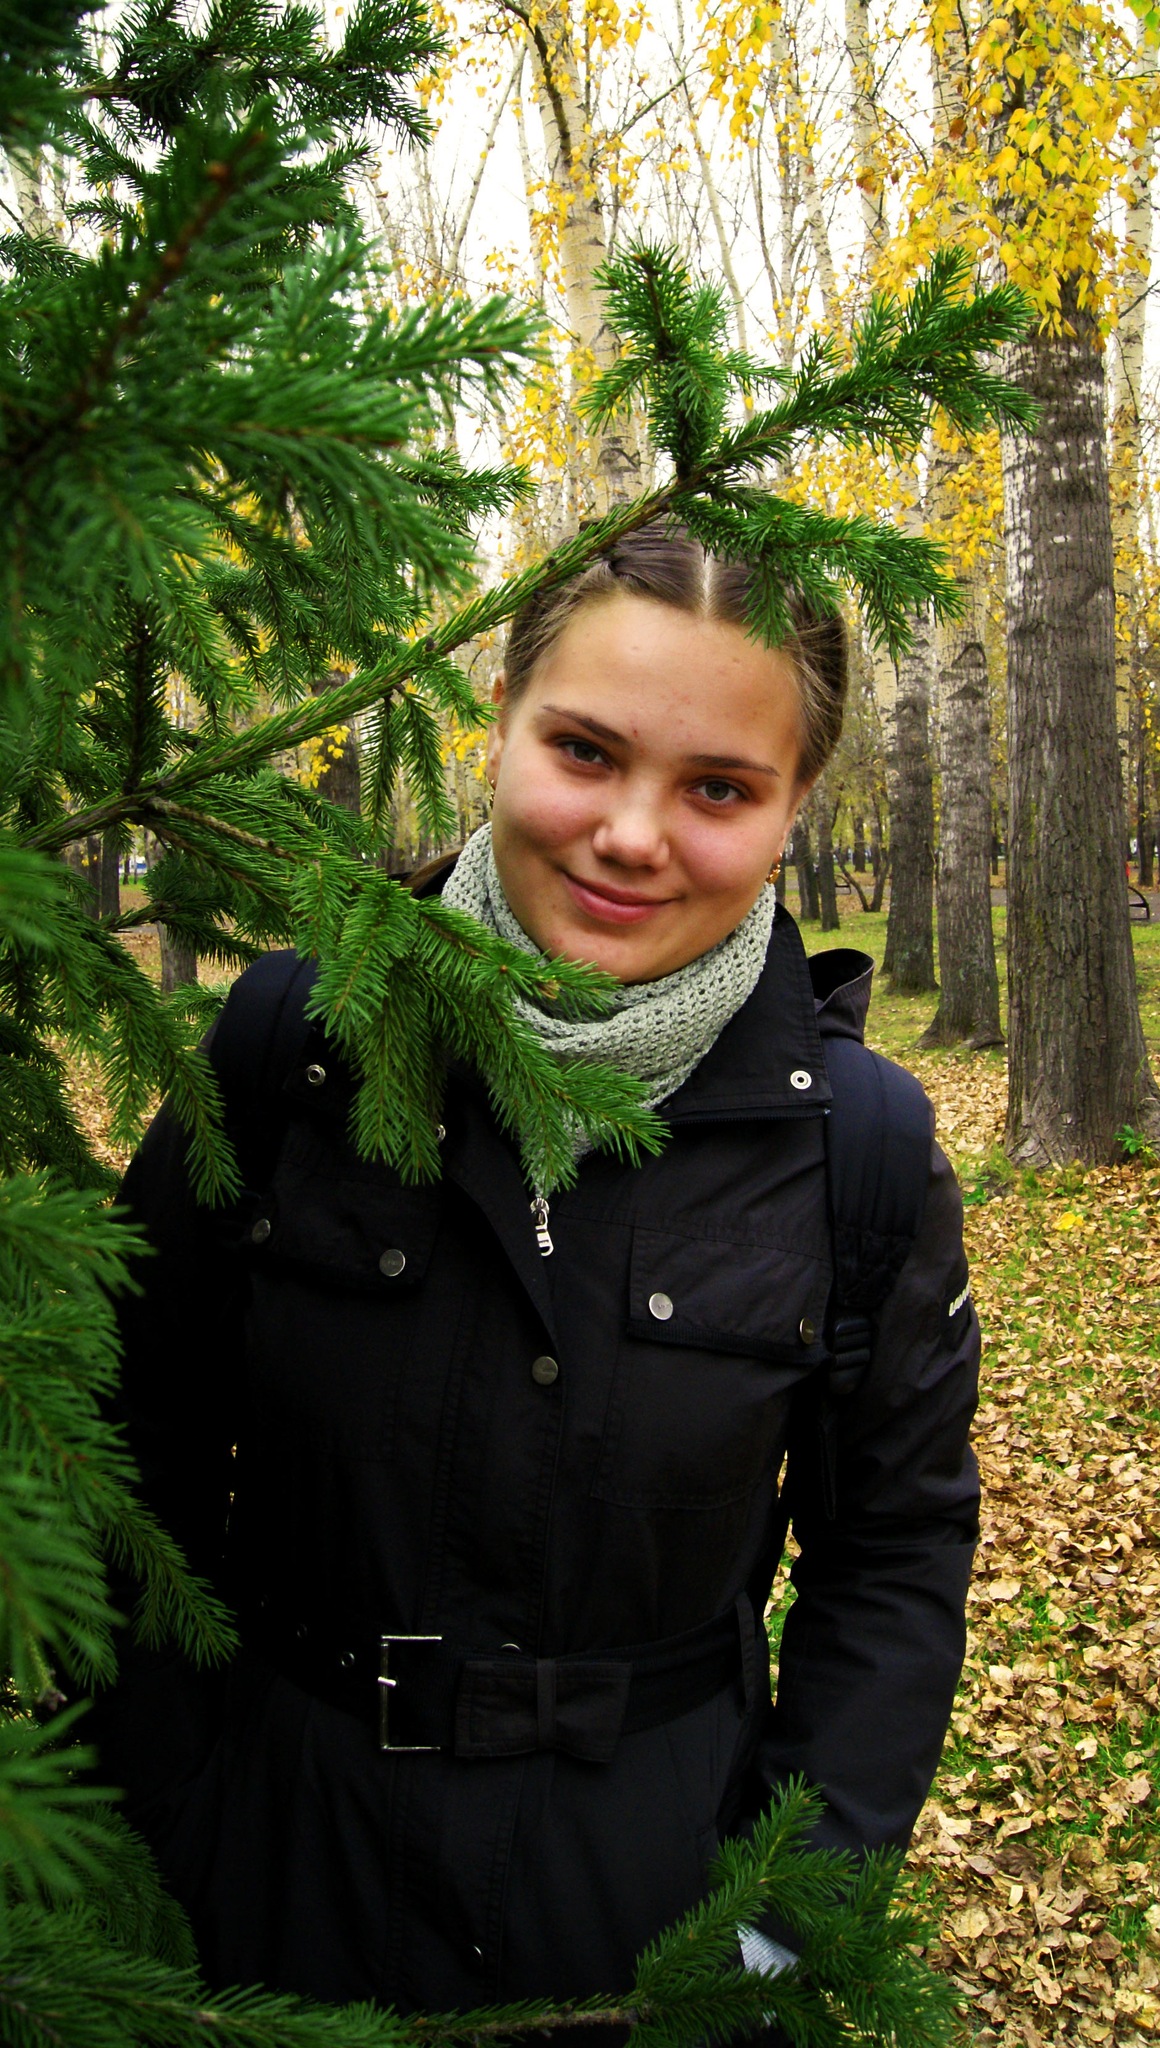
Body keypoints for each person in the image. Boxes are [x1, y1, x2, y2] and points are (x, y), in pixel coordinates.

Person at [97, 525, 980, 2012]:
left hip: (653, 1914)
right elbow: (128, 1453)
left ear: (794, 806)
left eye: (718, 788)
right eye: (585, 750)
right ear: (500, 721)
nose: (633, 834)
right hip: (271, 1875)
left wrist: (783, 1916)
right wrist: (163, 1824)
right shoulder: (290, 1056)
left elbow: (894, 1546)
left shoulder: (860, 1150)